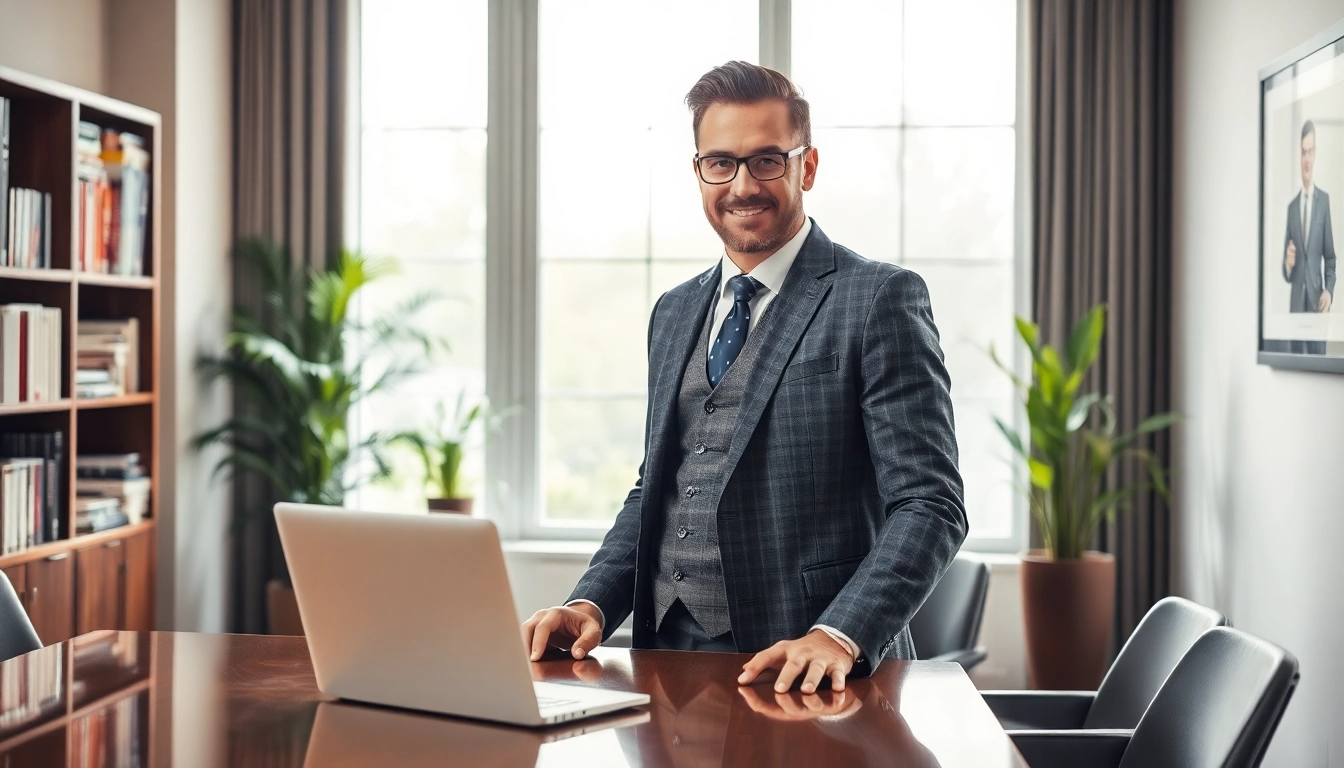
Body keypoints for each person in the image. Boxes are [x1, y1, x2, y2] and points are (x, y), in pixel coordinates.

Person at [521, 61, 966, 695]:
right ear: (699, 171)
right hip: (666, 660)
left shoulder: (879, 299)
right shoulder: (673, 311)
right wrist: (589, 604)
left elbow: (931, 503)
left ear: (806, 167)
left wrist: (836, 634)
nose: (742, 185)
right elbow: (660, 487)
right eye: (721, 163)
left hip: (809, 669)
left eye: (766, 161)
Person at [1282, 118, 1336, 355]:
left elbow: (1331, 258)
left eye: (1310, 151)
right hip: (1295, 308)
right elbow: (1286, 271)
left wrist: (1329, 291)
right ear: (1299, 155)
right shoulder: (1292, 208)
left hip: (1317, 306)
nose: (1306, 159)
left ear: (1316, 154)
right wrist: (1287, 263)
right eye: (1303, 152)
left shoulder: (1323, 202)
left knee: (1317, 365)